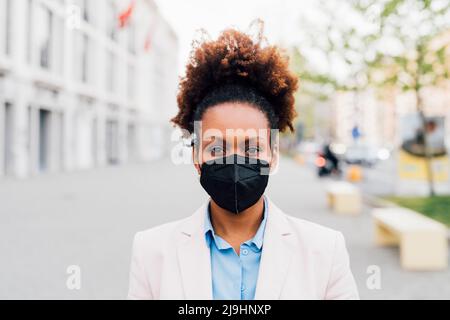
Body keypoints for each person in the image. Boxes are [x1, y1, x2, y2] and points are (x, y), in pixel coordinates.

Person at [127, 25, 359, 300]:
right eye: (216, 148)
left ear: (273, 155)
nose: (236, 161)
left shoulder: (325, 250)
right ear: (195, 157)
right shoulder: (152, 251)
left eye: (252, 148)